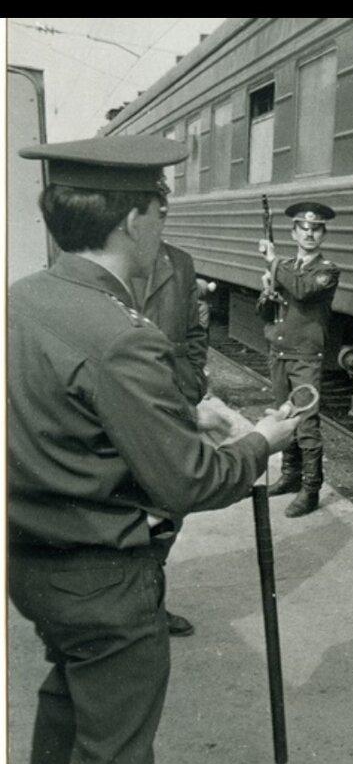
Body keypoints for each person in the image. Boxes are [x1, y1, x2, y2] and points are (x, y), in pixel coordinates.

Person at [9, 135, 302, 764]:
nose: (165, 217)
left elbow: (77, 419)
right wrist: (261, 444)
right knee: (116, 759)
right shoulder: (120, 332)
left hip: (31, 564)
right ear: (135, 219)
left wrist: (180, 408)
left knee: (67, 686)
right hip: (106, 580)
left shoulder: (21, 300)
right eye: (162, 205)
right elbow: (187, 481)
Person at [134, 239, 210, 636]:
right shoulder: (101, 255)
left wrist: (193, 381)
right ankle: (135, 610)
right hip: (125, 403)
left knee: (169, 505)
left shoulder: (179, 261)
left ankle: (150, 604)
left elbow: (195, 330)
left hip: (175, 399)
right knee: (130, 510)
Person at [256, 201, 341, 517]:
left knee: (306, 423)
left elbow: (303, 291)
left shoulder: (326, 271)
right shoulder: (286, 267)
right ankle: (290, 476)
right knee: (284, 416)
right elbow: (266, 313)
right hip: (279, 352)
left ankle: (310, 489)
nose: (309, 234)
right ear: (293, 232)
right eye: (303, 228)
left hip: (305, 356)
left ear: (323, 235)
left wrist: (273, 264)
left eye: (316, 229)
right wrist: (266, 292)